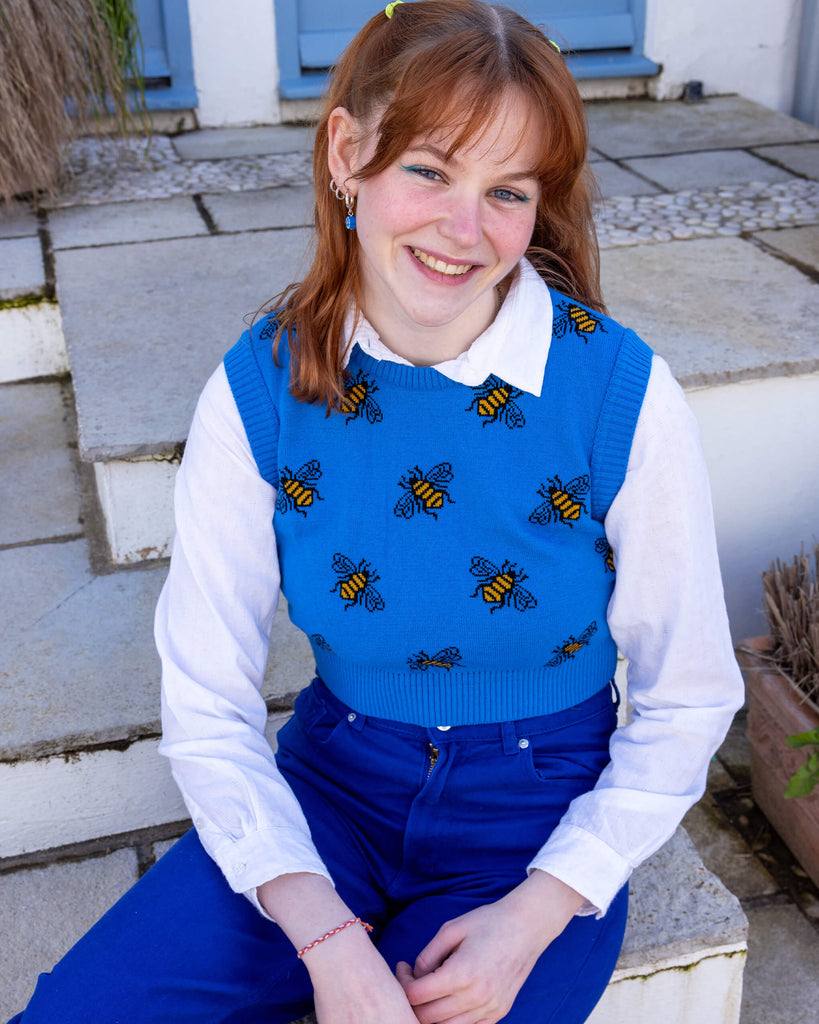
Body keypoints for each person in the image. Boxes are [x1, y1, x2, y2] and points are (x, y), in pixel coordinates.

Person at [9, 2, 744, 1022]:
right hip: (334, 787)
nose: (465, 229)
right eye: (430, 171)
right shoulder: (261, 390)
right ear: (347, 155)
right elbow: (209, 700)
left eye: (508, 191)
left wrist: (541, 907)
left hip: (537, 809)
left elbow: (689, 697)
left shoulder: (615, 393)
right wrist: (319, 929)